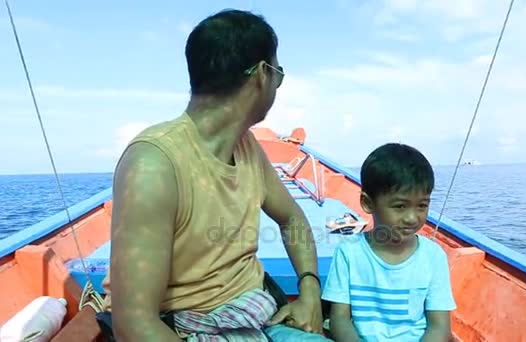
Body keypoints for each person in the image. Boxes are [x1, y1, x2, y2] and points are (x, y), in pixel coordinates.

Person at [103, 9, 331, 342]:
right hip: (187, 328)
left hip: (255, 313)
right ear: (261, 76)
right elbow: (133, 325)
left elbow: (292, 219)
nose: (276, 85)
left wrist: (309, 289)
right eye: (277, 75)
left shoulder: (247, 146)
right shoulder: (154, 164)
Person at [321, 143, 457, 341]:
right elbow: (340, 319)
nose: (412, 217)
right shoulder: (348, 252)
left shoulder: (433, 256)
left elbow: (439, 327)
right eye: (400, 206)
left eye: (422, 205)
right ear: (368, 203)